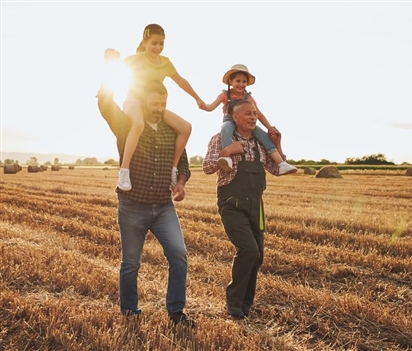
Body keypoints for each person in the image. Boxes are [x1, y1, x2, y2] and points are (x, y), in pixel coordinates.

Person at [96, 79, 194, 327]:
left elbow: (183, 163)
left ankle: (176, 312)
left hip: (163, 206)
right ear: (142, 102)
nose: (159, 108)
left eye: (163, 103)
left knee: (179, 255)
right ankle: (129, 312)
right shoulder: (127, 126)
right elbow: (108, 110)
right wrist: (106, 85)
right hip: (132, 206)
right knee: (131, 263)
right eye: (154, 103)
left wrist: (181, 182)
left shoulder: (171, 131)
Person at [203, 99, 287, 319]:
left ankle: (245, 304)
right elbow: (207, 167)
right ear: (235, 117)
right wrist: (227, 151)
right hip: (232, 202)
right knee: (248, 250)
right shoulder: (221, 138)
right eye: (248, 114)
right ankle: (234, 303)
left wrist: (278, 144)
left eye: (255, 114)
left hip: (255, 205)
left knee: (257, 256)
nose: (253, 117)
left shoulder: (261, 143)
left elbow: (277, 169)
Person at [106, 23, 206, 192]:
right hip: (134, 103)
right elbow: (116, 70)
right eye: (154, 43)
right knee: (138, 124)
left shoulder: (166, 63)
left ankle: (173, 169)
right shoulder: (135, 59)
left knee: (185, 128)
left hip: (154, 107)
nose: (158, 47)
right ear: (144, 42)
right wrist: (110, 61)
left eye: (161, 43)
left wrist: (197, 98)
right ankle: (124, 170)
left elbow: (181, 82)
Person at [201, 64, 297, 175]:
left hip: (246, 123)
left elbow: (259, 114)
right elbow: (211, 107)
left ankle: (281, 163)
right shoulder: (225, 95)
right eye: (238, 81)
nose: (241, 84)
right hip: (229, 120)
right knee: (225, 128)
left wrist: (270, 128)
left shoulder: (249, 97)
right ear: (230, 82)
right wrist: (205, 106)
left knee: (264, 136)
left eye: (244, 82)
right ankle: (227, 158)